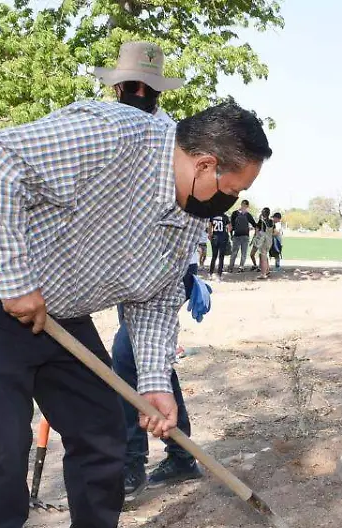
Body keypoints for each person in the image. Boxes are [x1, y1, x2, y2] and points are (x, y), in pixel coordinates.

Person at [0, 98, 271, 528]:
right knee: (0, 449)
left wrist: (157, 382)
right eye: (232, 189)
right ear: (206, 166)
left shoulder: (185, 215)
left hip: (60, 313)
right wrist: (15, 279)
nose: (230, 204)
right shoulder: (113, 137)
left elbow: (158, 296)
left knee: (102, 436)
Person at [94, 41, 205, 495]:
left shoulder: (171, 140)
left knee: (128, 358)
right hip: (129, 266)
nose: (138, 94)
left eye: (143, 88)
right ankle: (180, 454)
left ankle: (131, 462)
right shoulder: (113, 134)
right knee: (148, 360)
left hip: (162, 270)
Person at [228, 199, 255, 272]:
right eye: (243, 205)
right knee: (234, 253)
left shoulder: (248, 215)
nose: (244, 206)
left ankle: (241, 267)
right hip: (236, 236)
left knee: (244, 253)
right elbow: (231, 225)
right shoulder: (235, 213)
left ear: (247, 206)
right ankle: (230, 267)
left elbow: (254, 224)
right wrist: (231, 235)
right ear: (242, 204)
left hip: (245, 237)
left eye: (245, 205)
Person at [251, 206, 273, 278]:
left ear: (263, 213)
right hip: (269, 241)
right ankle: (267, 270)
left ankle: (263, 274)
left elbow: (257, 231)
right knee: (265, 256)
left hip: (263, 241)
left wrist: (254, 241)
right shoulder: (271, 221)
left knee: (262, 257)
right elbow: (274, 232)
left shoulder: (261, 221)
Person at [209, 212, 230, 280]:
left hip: (215, 237)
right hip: (223, 237)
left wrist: (210, 235)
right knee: (221, 257)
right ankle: (219, 274)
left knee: (214, 256)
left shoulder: (212, 216)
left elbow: (210, 226)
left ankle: (211, 273)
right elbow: (229, 228)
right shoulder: (225, 217)